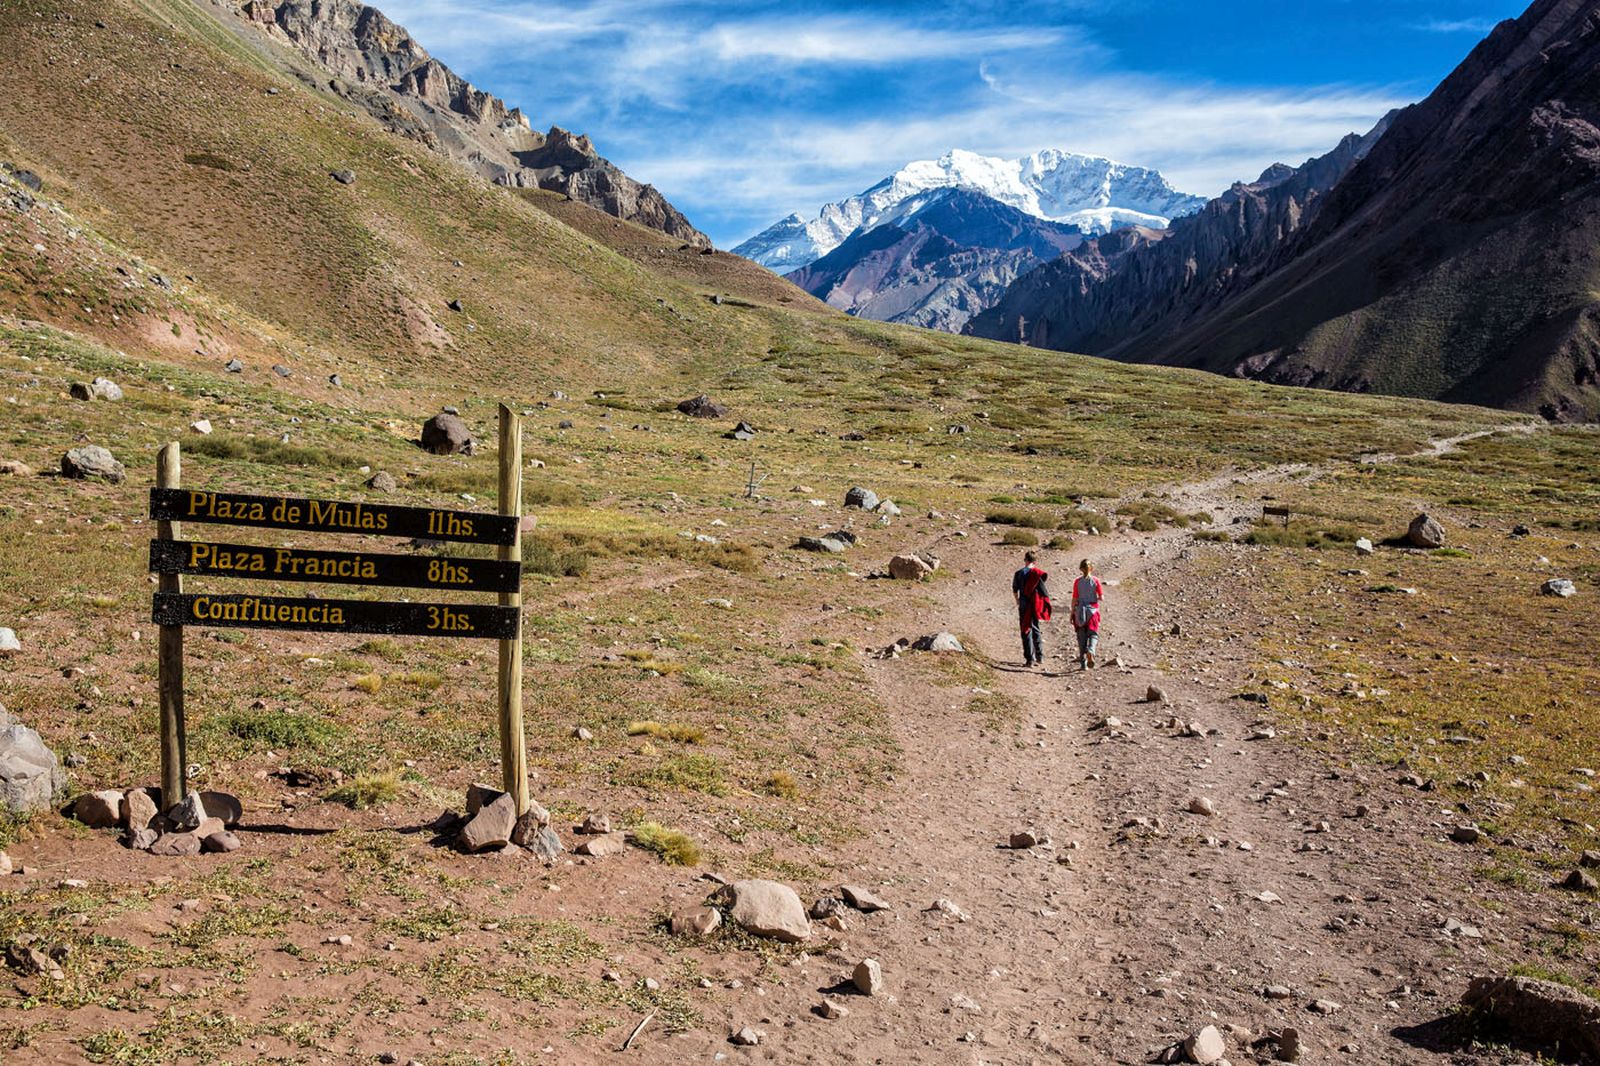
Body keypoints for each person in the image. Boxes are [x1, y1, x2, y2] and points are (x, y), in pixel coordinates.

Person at [1011, 551, 1051, 667]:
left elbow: (1015, 589)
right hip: (1034, 604)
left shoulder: (1018, 574)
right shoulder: (1037, 574)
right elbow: (1043, 592)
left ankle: (1030, 659)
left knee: (1025, 629)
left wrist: (1017, 600)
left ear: (1025, 560)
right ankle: (1040, 656)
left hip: (1024, 604)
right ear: (1035, 561)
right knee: (1035, 628)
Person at [1071, 559, 1104, 670]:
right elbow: (1101, 597)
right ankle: (1091, 650)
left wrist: (1072, 612)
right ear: (1091, 568)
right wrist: (1096, 598)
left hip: (1080, 611)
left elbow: (1075, 598)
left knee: (1081, 638)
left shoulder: (1077, 581)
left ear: (1081, 569)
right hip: (1092, 612)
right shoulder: (1096, 580)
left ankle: (1083, 664)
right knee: (1093, 634)